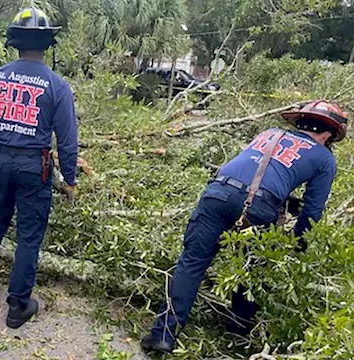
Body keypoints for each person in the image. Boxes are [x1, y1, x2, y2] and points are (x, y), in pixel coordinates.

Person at [141, 100, 349, 354]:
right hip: (259, 209)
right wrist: (298, 243)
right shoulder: (324, 158)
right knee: (251, 272)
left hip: (218, 193)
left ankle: (163, 335)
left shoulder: (269, 133)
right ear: (328, 134)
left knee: (192, 263)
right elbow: (312, 211)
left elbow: (254, 171)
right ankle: (237, 335)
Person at [0, 7, 79, 329]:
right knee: (29, 236)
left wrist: (10, 129)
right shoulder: (57, 85)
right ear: (48, 43)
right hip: (35, 166)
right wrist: (70, 179)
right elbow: (68, 140)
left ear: (15, 41)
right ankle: (18, 304)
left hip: (1, 160)